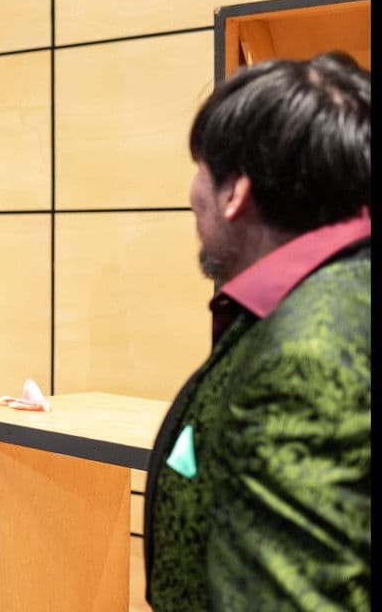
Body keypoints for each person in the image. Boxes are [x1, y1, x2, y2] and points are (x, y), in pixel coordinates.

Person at [144, 51, 371, 611]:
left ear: (236, 192)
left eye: (201, 168)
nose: (192, 194)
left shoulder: (306, 360)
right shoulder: (340, 291)